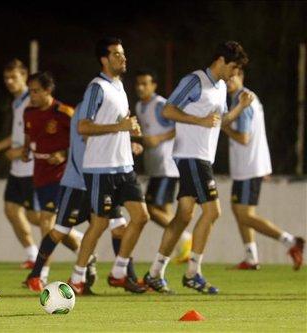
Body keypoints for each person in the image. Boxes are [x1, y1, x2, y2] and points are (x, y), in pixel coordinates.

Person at [143, 41, 252, 294]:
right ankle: (193, 273)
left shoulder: (221, 86)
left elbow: (220, 121)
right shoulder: (194, 81)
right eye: (233, 67)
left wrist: (240, 107)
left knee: (184, 216)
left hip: (201, 157)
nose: (234, 74)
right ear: (221, 61)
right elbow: (168, 111)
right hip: (191, 155)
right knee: (213, 212)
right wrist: (198, 120)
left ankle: (154, 273)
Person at [24, 101, 137, 293]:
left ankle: (126, 277)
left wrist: (128, 143)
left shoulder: (97, 119)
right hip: (78, 184)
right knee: (59, 229)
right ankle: (35, 275)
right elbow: (83, 142)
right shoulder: (82, 117)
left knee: (119, 227)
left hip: (101, 182)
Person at [67, 37, 149, 295]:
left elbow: (118, 124)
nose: (122, 58)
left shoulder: (119, 86)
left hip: (124, 167)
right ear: (104, 59)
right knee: (100, 223)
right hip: (100, 169)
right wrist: (120, 127)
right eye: (116, 54)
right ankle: (77, 277)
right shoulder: (96, 88)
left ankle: (118, 272)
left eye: (122, 54)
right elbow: (83, 127)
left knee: (141, 217)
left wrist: (129, 137)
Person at [224, 69, 304, 270]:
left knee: (244, 214)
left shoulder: (244, 100)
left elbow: (244, 137)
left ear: (241, 77)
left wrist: (222, 125)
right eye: (226, 78)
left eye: (232, 77)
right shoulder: (240, 98)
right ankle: (251, 257)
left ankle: (290, 241)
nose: (227, 81)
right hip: (247, 166)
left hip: (249, 166)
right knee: (238, 210)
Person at [0, 60, 40, 268]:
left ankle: (76, 242)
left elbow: (42, 133)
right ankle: (32, 255)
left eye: (14, 77)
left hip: (32, 167)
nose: (10, 82)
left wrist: (22, 151)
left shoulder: (32, 100)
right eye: (6, 78)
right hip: (18, 169)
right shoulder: (17, 102)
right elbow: (17, 135)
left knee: (37, 217)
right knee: (11, 209)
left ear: (25, 77)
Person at [21, 71, 83, 284]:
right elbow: (29, 134)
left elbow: (82, 137)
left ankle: (39, 275)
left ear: (48, 91)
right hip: (40, 175)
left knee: (47, 223)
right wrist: (26, 149)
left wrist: (64, 154)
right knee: (55, 226)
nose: (32, 95)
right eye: (30, 91)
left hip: (62, 176)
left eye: (36, 91)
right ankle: (85, 252)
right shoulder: (28, 112)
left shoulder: (64, 112)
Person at [134, 68, 192, 263]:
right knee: (165, 211)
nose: (141, 88)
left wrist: (159, 138)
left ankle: (184, 238)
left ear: (153, 85)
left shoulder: (160, 105)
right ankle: (179, 250)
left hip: (167, 166)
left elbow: (180, 126)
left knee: (150, 209)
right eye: (138, 84)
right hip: (154, 166)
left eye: (145, 84)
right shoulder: (140, 106)